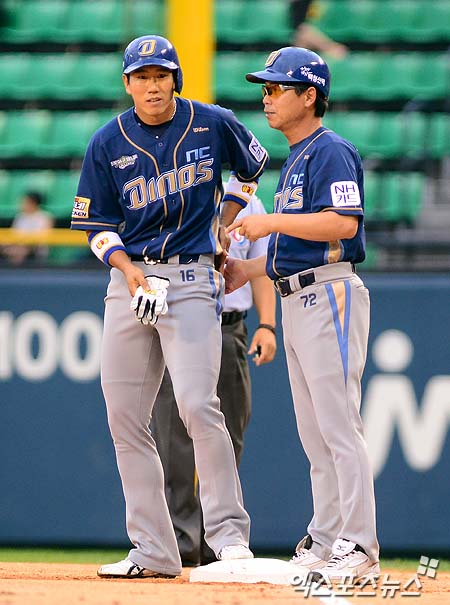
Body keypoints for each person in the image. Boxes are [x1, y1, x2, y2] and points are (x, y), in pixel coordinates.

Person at [70, 34, 268, 579]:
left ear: (175, 79)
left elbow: (252, 164)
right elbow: (95, 225)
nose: (153, 85)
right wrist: (129, 272)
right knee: (125, 419)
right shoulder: (107, 141)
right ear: (128, 83)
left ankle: (229, 539)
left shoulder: (210, 121)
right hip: (130, 283)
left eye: (162, 75)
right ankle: (154, 551)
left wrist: (226, 219)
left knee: (199, 407)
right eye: (142, 76)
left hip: (188, 275)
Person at [224, 47, 379, 583]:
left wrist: (271, 224)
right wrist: (250, 272)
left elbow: (341, 225)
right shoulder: (299, 156)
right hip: (297, 293)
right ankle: (328, 536)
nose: (266, 97)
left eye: (276, 88)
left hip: (329, 293)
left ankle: (359, 543)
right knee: (315, 432)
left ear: (308, 95)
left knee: (338, 423)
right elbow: (296, 246)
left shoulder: (330, 149)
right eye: (264, 89)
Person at [151, 188, 277, 566]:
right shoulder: (177, 188)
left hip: (229, 325)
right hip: (180, 325)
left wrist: (267, 325)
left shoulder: (250, 204)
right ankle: (178, 537)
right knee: (172, 435)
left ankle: (219, 540)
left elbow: (262, 268)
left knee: (230, 431)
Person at [3, 191, 53, 265]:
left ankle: (17, 271)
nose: (22, 204)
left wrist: (23, 244)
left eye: (25, 202)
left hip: (35, 249)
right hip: (18, 245)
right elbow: (13, 234)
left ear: (33, 203)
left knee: (20, 251)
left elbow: (41, 239)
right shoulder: (20, 216)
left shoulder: (45, 217)